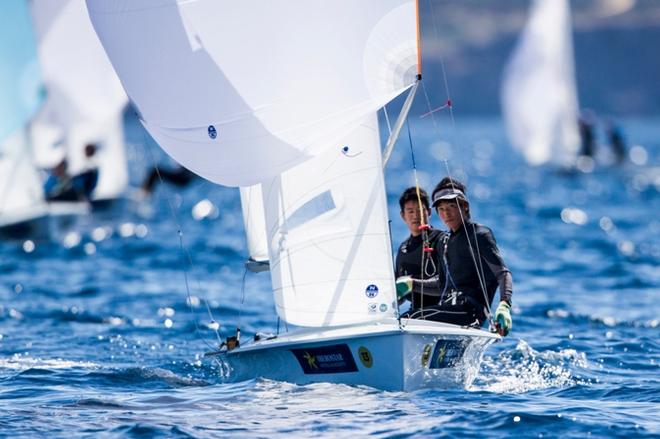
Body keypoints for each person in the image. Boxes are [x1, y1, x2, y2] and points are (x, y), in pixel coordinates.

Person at [397, 177, 513, 336]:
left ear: (464, 206)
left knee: (411, 319)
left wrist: (504, 305)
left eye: (451, 206)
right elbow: (441, 285)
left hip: (469, 313)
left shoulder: (479, 234)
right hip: (450, 310)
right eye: (442, 208)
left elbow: (502, 273)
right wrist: (412, 284)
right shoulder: (445, 242)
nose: (446, 213)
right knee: (406, 317)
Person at [394, 187, 445, 313]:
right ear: (403, 215)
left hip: (442, 311)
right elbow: (398, 294)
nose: (416, 216)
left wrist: (411, 283)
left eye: (420, 211)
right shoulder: (403, 249)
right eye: (410, 211)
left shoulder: (442, 240)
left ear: (429, 212)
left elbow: (445, 284)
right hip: (416, 315)